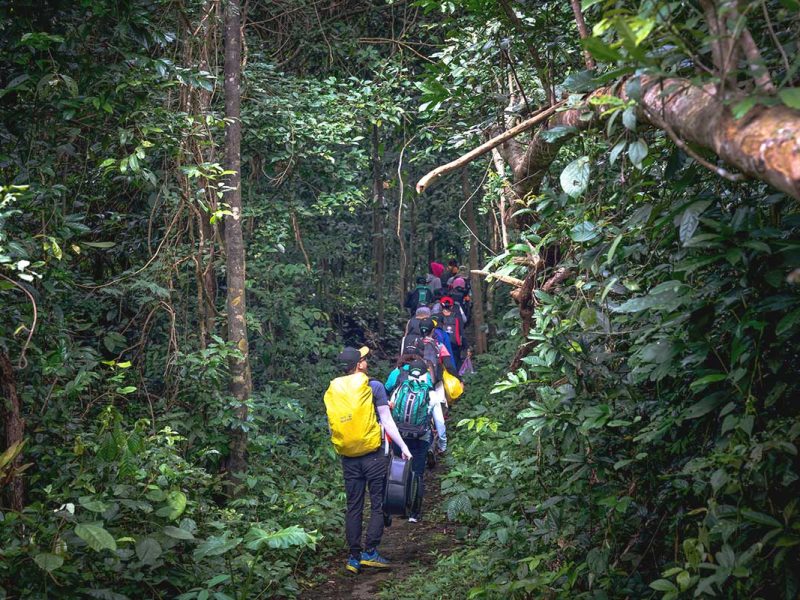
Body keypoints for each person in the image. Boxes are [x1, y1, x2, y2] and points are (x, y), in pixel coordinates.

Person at [323, 346, 412, 576]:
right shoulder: (374, 386)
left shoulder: (334, 390)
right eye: (363, 359)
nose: (366, 361)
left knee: (353, 506)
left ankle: (353, 557)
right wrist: (403, 447)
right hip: (373, 455)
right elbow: (387, 420)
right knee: (377, 502)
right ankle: (370, 551)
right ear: (359, 365)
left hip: (349, 457)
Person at [384, 356, 436, 523]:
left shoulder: (400, 388)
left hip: (400, 436)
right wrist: (442, 442)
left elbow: (390, 409)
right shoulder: (430, 392)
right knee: (417, 473)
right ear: (424, 374)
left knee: (399, 470)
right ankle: (414, 513)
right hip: (421, 438)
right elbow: (440, 422)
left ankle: (396, 506)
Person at [440, 297, 467, 369]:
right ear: (452, 306)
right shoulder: (457, 316)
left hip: (441, 344)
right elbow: (461, 330)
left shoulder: (437, 316)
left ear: (441, 306)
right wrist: (465, 346)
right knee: (455, 362)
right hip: (455, 343)